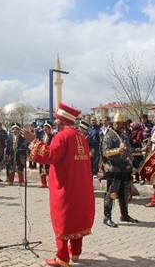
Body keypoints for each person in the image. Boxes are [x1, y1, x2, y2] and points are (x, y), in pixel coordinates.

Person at [22, 103, 95, 267]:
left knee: (62, 218)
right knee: (76, 218)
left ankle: (62, 257)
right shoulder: (81, 137)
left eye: (56, 120)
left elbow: (50, 156)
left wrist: (33, 141)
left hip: (65, 185)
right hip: (81, 185)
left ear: (61, 121)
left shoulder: (61, 136)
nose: (55, 123)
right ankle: (75, 253)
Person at [101, 112, 139, 228]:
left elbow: (129, 150)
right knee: (111, 194)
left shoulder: (123, 134)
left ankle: (125, 215)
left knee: (124, 193)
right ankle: (107, 217)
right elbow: (105, 152)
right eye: (119, 123)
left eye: (123, 123)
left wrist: (141, 150)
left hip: (125, 168)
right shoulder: (109, 135)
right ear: (115, 123)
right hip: (114, 169)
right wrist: (118, 150)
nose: (122, 125)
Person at [38, 121, 54, 188]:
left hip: (49, 154)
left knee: (49, 170)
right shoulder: (41, 136)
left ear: (50, 129)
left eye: (47, 128)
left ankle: (51, 184)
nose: (45, 129)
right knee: (42, 169)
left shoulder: (53, 136)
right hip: (42, 154)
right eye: (44, 127)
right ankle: (43, 183)